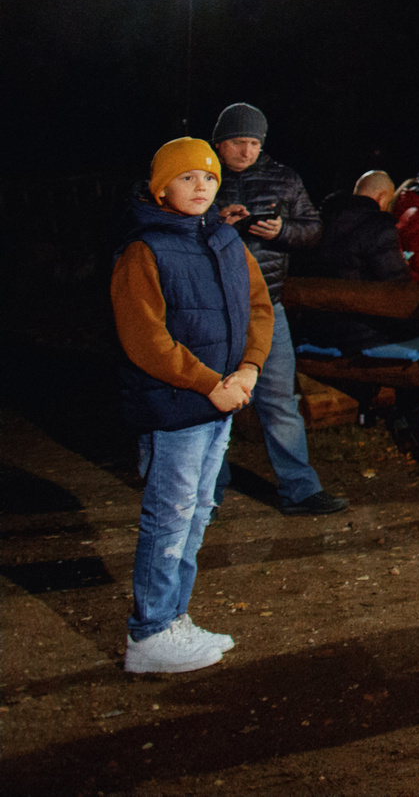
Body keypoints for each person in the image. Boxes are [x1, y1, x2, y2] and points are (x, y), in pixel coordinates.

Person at [114, 138, 268, 673]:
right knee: (170, 515)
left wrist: (249, 367)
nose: (200, 187)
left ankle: (174, 618)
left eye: (208, 178)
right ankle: (148, 634)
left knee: (198, 512)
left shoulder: (225, 241)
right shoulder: (144, 250)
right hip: (175, 407)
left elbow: (259, 307)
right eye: (186, 179)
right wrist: (209, 383)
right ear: (162, 187)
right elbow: (145, 338)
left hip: (220, 401)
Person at [205, 103, 346, 515]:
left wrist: (283, 230)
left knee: (279, 401)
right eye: (238, 142)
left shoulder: (283, 178)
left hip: (268, 307)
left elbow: (314, 228)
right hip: (214, 310)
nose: (247, 151)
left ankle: (300, 490)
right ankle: (207, 495)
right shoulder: (202, 177)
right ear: (219, 142)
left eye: (254, 143)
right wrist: (217, 225)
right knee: (214, 399)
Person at [297, 171, 408, 353]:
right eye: (388, 203)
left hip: (314, 329)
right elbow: (398, 283)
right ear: (381, 198)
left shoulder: (320, 220)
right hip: (361, 333)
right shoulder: (379, 226)